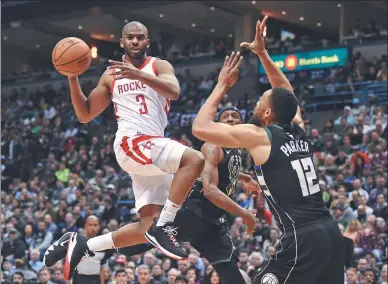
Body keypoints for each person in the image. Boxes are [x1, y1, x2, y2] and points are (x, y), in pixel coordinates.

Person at [44, 21, 205, 280]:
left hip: (153, 146)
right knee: (195, 159)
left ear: (147, 42)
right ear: (122, 42)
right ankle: (164, 225)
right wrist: (72, 78)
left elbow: (174, 91)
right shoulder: (110, 74)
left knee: (146, 227)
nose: (134, 42)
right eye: (130, 37)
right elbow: (85, 114)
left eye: (140, 38)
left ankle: (84, 245)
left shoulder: (159, 65)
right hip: (132, 142)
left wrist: (139, 75)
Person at [192, 16, 345, 284]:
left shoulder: (260, 136)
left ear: (267, 112)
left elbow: (200, 128)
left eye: (261, 99)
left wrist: (221, 85)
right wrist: (262, 53)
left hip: (303, 236)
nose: (257, 99)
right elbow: (286, 92)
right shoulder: (297, 128)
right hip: (330, 231)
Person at [83, 107, 259, 284]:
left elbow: (224, 171)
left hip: (214, 224)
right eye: (225, 117)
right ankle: (91, 246)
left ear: (241, 123)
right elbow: (210, 190)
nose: (229, 119)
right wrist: (245, 215)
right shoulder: (213, 147)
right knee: (143, 237)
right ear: (218, 125)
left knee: (232, 276)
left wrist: (244, 178)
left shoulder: (236, 149)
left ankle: (98, 246)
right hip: (193, 213)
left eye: (234, 116)